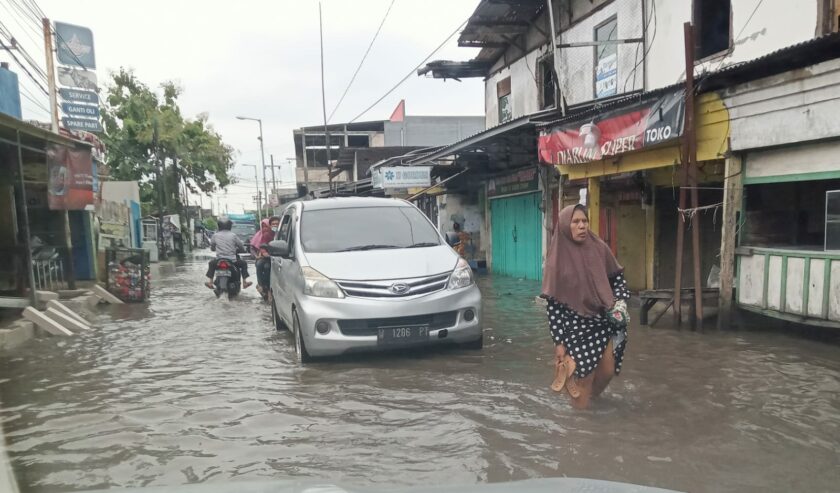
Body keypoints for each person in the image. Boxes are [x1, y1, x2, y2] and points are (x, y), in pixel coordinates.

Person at [541, 204, 631, 409]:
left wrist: (620, 301)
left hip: (602, 321)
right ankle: (578, 429)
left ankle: (588, 403)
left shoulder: (599, 248)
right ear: (565, 226)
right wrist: (559, 343)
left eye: (584, 221)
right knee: (582, 378)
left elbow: (617, 278)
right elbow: (553, 307)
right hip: (575, 328)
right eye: (575, 222)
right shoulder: (556, 261)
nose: (582, 226)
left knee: (607, 371)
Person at [205, 216, 252, 289]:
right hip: (232, 260)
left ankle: (210, 282)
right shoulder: (233, 235)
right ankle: (244, 283)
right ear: (230, 226)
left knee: (211, 263)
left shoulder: (215, 235)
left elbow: (212, 247)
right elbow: (241, 246)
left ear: (219, 226)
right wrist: (243, 250)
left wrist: (214, 249)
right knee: (244, 264)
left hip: (219, 260)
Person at [251, 216, 280, 296]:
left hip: (278, 257)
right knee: (260, 264)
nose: (275, 226)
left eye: (277, 224)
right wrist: (263, 253)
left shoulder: (282, 234)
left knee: (267, 267)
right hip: (266, 257)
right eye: (273, 224)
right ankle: (262, 286)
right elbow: (260, 246)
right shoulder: (266, 234)